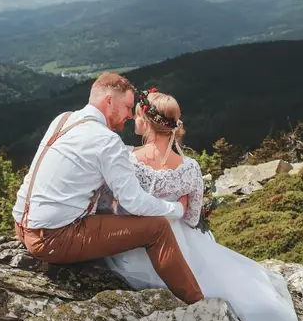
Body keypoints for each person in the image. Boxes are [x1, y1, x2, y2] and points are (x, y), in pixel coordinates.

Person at [102, 89, 301, 321]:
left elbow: (116, 205)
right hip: (179, 243)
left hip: (134, 246)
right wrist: (177, 206)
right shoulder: (190, 168)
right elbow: (192, 218)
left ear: (146, 122)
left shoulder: (126, 158)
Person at [11, 72, 204, 304]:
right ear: (109, 101)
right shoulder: (107, 140)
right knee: (157, 228)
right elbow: (133, 201)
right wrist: (176, 209)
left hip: (21, 224)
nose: (131, 116)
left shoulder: (64, 119)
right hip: (52, 238)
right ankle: (199, 304)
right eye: (127, 107)